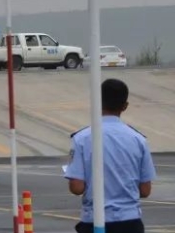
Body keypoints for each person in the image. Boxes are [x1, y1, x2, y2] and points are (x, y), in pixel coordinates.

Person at [64, 78, 156, 233]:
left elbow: (76, 187)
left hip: (94, 220)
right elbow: (145, 190)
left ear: (98, 102)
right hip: (129, 221)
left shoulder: (82, 138)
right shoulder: (138, 140)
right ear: (125, 106)